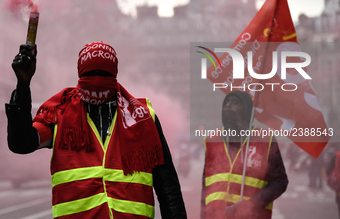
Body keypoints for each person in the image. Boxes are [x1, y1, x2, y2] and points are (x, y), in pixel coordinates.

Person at [6, 42, 187, 219]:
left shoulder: (144, 118)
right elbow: (21, 143)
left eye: (103, 75)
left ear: (114, 75)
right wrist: (23, 85)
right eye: (91, 75)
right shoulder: (59, 113)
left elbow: (168, 188)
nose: (97, 83)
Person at [201, 91, 288, 219]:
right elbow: (206, 187)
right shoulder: (211, 140)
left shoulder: (264, 139)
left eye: (235, 102)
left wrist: (252, 204)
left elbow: (280, 181)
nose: (228, 106)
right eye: (226, 102)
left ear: (246, 109)